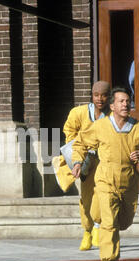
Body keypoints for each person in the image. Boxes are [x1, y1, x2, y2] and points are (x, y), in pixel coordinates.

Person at [71, 87, 139, 261]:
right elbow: (81, 142)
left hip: (129, 181)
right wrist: (77, 161)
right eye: (121, 101)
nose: (125, 104)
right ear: (112, 106)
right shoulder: (100, 126)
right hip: (105, 180)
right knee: (110, 223)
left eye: (127, 101)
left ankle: (96, 218)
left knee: (124, 221)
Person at [52, 81, 111, 251]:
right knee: (87, 198)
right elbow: (69, 131)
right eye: (96, 95)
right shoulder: (78, 113)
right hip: (83, 160)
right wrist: (77, 152)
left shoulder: (112, 117)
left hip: (103, 161)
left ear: (109, 96)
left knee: (102, 194)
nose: (100, 99)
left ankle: (98, 228)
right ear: (91, 96)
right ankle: (87, 231)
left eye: (104, 95)